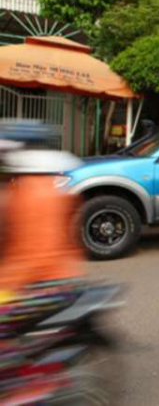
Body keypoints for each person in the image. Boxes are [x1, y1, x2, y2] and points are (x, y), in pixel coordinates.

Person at [0, 122, 84, 340]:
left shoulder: (29, 192)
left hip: (42, 282)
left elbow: (35, 255)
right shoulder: (43, 185)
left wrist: (6, 280)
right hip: (54, 275)